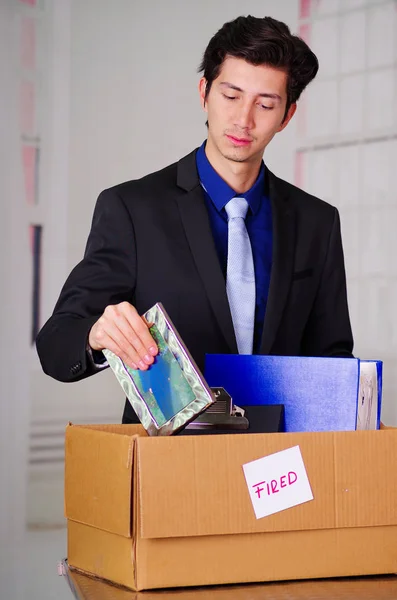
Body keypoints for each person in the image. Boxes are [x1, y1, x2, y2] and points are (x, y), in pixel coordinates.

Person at [36, 15, 353, 424]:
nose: (244, 119)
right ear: (204, 92)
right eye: (231, 95)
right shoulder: (133, 209)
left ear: (287, 115)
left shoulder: (317, 223)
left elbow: (332, 360)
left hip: (281, 465)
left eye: (266, 104)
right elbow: (56, 343)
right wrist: (97, 336)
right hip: (170, 469)